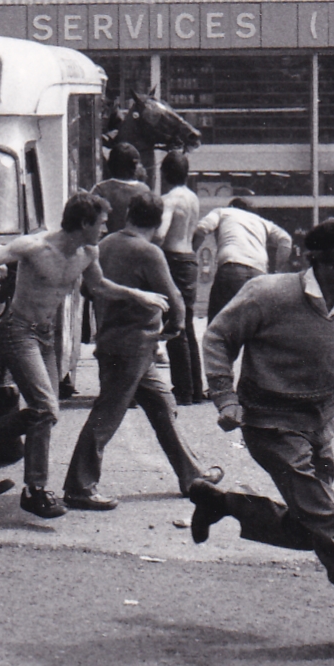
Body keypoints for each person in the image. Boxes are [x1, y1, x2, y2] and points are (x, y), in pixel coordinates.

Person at [189, 217, 334, 658]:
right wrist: (225, 398)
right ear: (321, 261)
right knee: (330, 522)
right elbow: (218, 337)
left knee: (311, 528)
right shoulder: (268, 293)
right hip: (268, 422)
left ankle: (224, 503)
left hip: (321, 424)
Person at [0, 194, 168, 519]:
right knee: (45, 409)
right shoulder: (33, 247)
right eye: (101, 222)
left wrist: (137, 294)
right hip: (17, 330)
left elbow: (99, 285)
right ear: (85, 223)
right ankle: (33, 488)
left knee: (43, 412)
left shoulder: (88, 252)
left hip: (45, 335)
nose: (105, 228)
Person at [62, 194, 221, 508]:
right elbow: (172, 296)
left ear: (129, 214)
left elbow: (88, 288)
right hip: (132, 346)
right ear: (158, 222)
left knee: (163, 408)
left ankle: (193, 476)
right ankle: (79, 486)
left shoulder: (104, 244)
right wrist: (174, 326)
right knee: (106, 416)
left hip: (118, 342)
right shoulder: (149, 252)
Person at [194, 192, 293, 320]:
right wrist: (277, 270)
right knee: (254, 325)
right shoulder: (262, 222)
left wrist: (192, 252)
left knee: (218, 323)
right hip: (259, 273)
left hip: (231, 268)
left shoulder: (223, 212)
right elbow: (286, 240)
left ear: (232, 206)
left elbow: (201, 228)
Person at [156, 151, 206, 404]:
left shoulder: (168, 199)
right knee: (186, 324)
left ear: (163, 173)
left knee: (175, 323)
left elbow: (161, 234)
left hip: (172, 259)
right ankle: (196, 388)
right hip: (189, 258)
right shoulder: (192, 198)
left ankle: (183, 389)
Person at [92, 143, 153, 236]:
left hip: (107, 244)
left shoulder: (100, 189)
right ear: (135, 167)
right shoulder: (144, 190)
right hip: (136, 243)